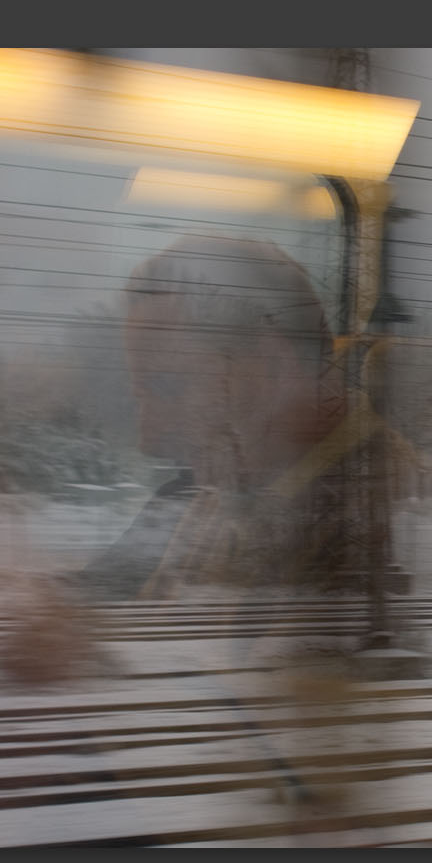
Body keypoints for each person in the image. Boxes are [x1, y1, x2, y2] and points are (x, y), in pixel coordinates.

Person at [73, 233, 378, 611]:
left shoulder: (367, 511)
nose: (147, 440)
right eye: (141, 397)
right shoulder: (189, 496)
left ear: (271, 364)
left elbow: (247, 662)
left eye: (170, 387)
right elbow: (93, 596)